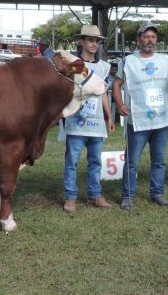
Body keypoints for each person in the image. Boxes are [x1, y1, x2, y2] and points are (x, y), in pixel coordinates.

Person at [112, 22, 168, 210]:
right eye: (146, 36)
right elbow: (116, 85)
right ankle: (128, 196)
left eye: (153, 37)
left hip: (161, 120)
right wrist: (120, 104)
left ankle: (157, 194)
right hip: (137, 120)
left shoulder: (166, 61)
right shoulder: (129, 61)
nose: (150, 40)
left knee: (159, 160)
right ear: (139, 39)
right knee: (132, 161)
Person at [62, 25, 115, 212]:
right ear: (82, 42)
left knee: (95, 161)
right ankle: (70, 197)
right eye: (91, 40)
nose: (94, 44)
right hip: (76, 122)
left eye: (97, 41)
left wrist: (109, 117)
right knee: (72, 162)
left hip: (97, 122)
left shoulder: (103, 67)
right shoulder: (74, 64)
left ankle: (94, 195)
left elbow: (104, 95)